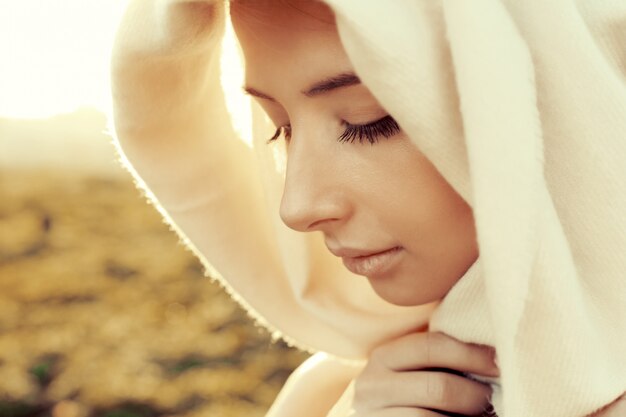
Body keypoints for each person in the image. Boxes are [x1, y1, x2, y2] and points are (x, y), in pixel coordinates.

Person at [110, 0, 626, 416]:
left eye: (368, 120)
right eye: (279, 127)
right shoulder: (333, 392)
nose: (297, 207)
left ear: (561, 98)